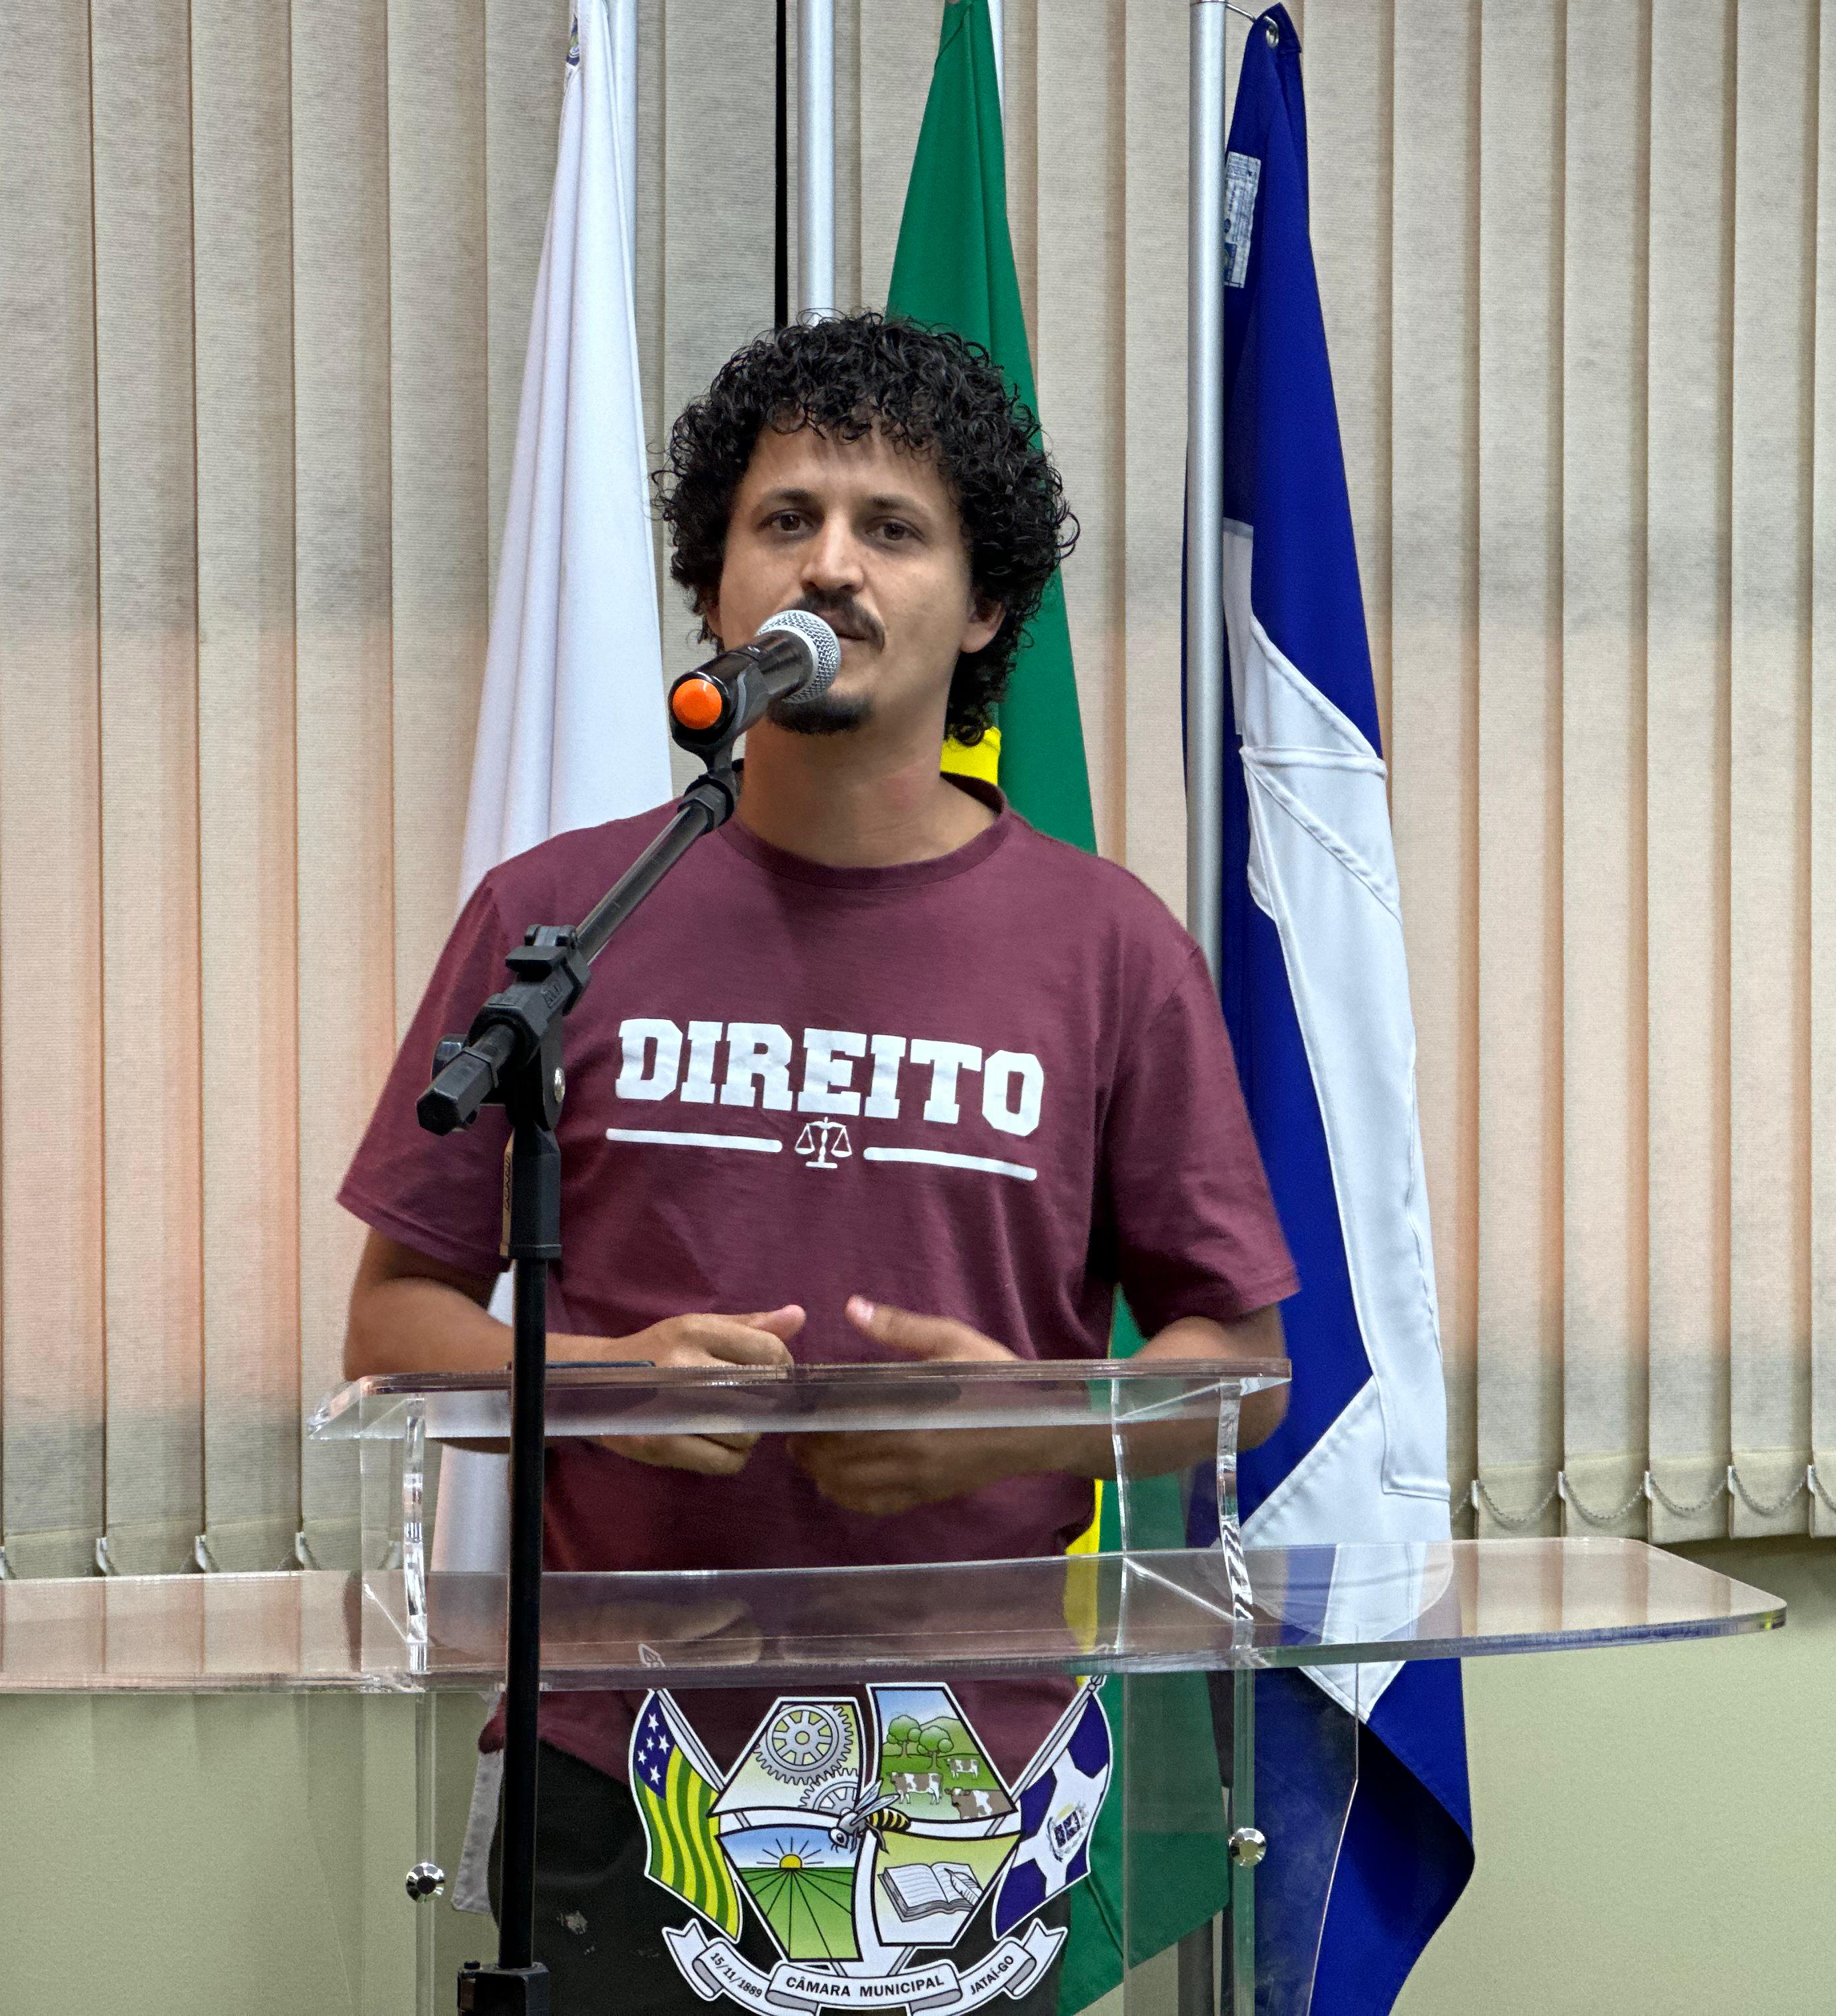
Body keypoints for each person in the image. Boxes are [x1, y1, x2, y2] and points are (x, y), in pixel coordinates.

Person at [338, 311, 1296, 2011]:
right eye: (785, 520)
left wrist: (1030, 1416)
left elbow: (1247, 1369)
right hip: (615, 1768)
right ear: (718, 588)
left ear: (984, 607)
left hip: (970, 1793)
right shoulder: (561, 919)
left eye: (893, 528)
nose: (832, 564)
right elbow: (393, 1324)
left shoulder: (1109, 949)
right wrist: (606, 1381)